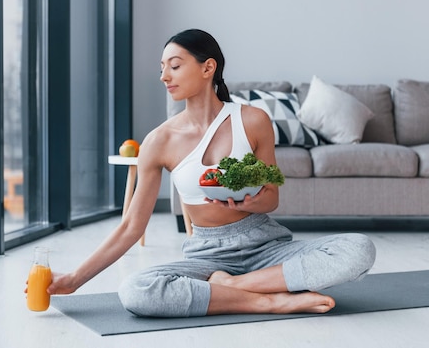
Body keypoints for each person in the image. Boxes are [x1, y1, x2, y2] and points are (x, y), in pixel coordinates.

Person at [44, 28, 376, 317]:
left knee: (359, 248)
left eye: (174, 66)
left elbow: (272, 198)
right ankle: (267, 301)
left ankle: (234, 287)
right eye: (162, 68)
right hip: (205, 256)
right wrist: (74, 280)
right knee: (136, 290)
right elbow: (131, 226)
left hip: (267, 246)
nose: (164, 76)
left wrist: (245, 202)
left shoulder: (253, 121)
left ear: (208, 68)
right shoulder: (159, 141)